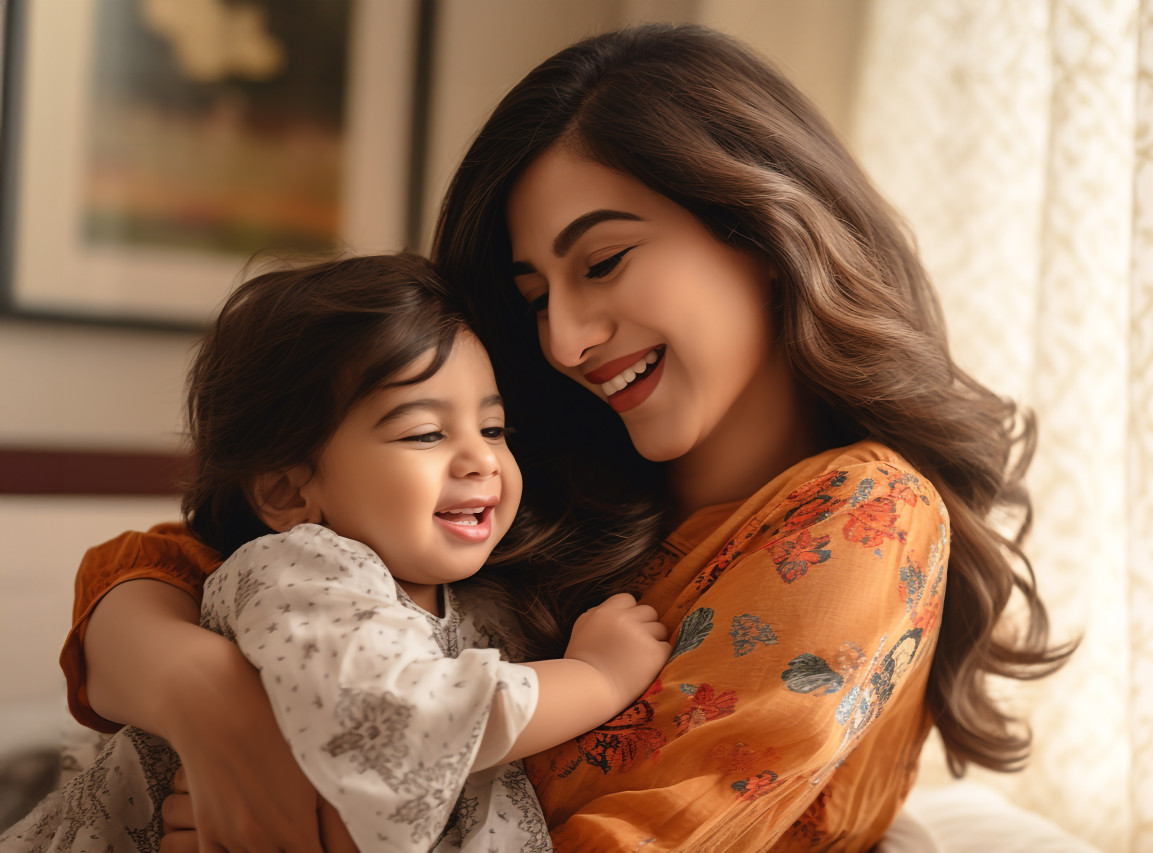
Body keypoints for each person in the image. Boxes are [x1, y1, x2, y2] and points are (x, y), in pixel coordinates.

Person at [54, 24, 1073, 852]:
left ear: (765, 233)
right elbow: (175, 566)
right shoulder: (520, 473)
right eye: (531, 292)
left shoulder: (861, 516)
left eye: (605, 260)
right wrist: (212, 704)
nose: (564, 338)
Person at [0, 253, 669, 852]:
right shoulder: (299, 572)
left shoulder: (482, 599)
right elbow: (400, 724)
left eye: (494, 427)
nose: (481, 459)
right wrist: (598, 677)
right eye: (427, 432)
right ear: (291, 490)